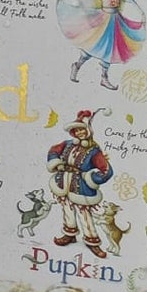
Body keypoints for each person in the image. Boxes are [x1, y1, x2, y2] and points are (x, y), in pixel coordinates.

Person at [58, 0, 147, 90]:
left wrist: (140, 13)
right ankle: (77, 65)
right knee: (94, 46)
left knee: (109, 49)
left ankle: (103, 78)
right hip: (102, 19)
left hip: (115, 20)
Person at [47, 109, 116, 258]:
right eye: (76, 131)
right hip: (63, 181)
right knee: (66, 207)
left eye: (82, 130)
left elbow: (107, 171)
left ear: (88, 131)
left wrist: (90, 177)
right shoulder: (67, 144)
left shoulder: (93, 151)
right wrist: (57, 163)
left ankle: (92, 241)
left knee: (83, 212)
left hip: (81, 186)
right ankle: (69, 234)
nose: (79, 133)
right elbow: (53, 151)